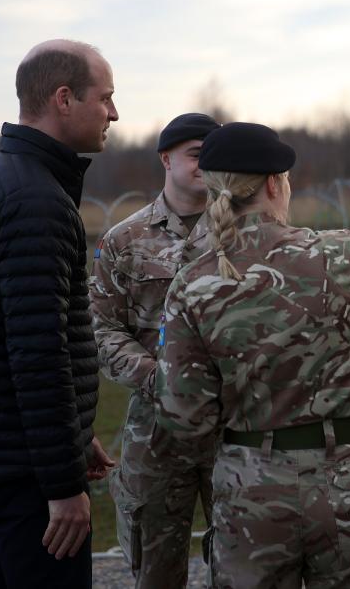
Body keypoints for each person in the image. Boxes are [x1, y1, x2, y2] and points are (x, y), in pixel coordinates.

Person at [150, 122, 350, 589]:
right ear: (276, 184)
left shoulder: (191, 283)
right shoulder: (340, 252)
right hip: (348, 486)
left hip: (250, 489)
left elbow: (184, 416)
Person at [0, 39, 118, 589]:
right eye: (105, 98)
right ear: (64, 99)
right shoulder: (34, 199)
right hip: (29, 482)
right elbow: (37, 354)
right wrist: (63, 485)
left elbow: (6, 331)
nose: (113, 113)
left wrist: (72, 436)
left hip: (2, 459)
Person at [89, 112, 221, 587]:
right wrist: (155, 376)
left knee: (246, 563)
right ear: (166, 158)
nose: (207, 163)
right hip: (157, 428)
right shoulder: (123, 241)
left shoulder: (244, 234)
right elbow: (102, 329)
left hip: (234, 424)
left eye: (215, 154)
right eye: (195, 153)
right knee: (156, 565)